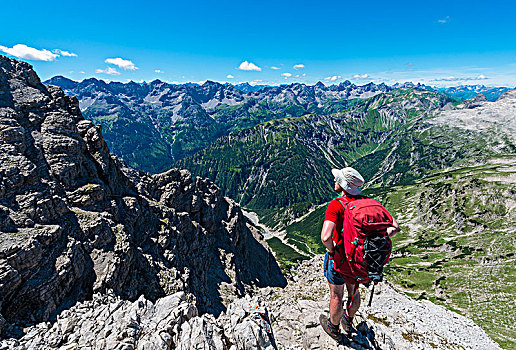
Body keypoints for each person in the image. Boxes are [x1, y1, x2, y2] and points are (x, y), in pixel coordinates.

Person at [319, 167, 400, 341]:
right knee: (354, 292)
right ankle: (348, 320)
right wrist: (373, 242)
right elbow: (395, 227)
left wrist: (332, 251)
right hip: (361, 261)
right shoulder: (371, 203)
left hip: (340, 260)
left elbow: (325, 236)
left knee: (336, 296)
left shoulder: (336, 205)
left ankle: (333, 328)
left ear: (343, 185)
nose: (334, 180)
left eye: (337, 179)